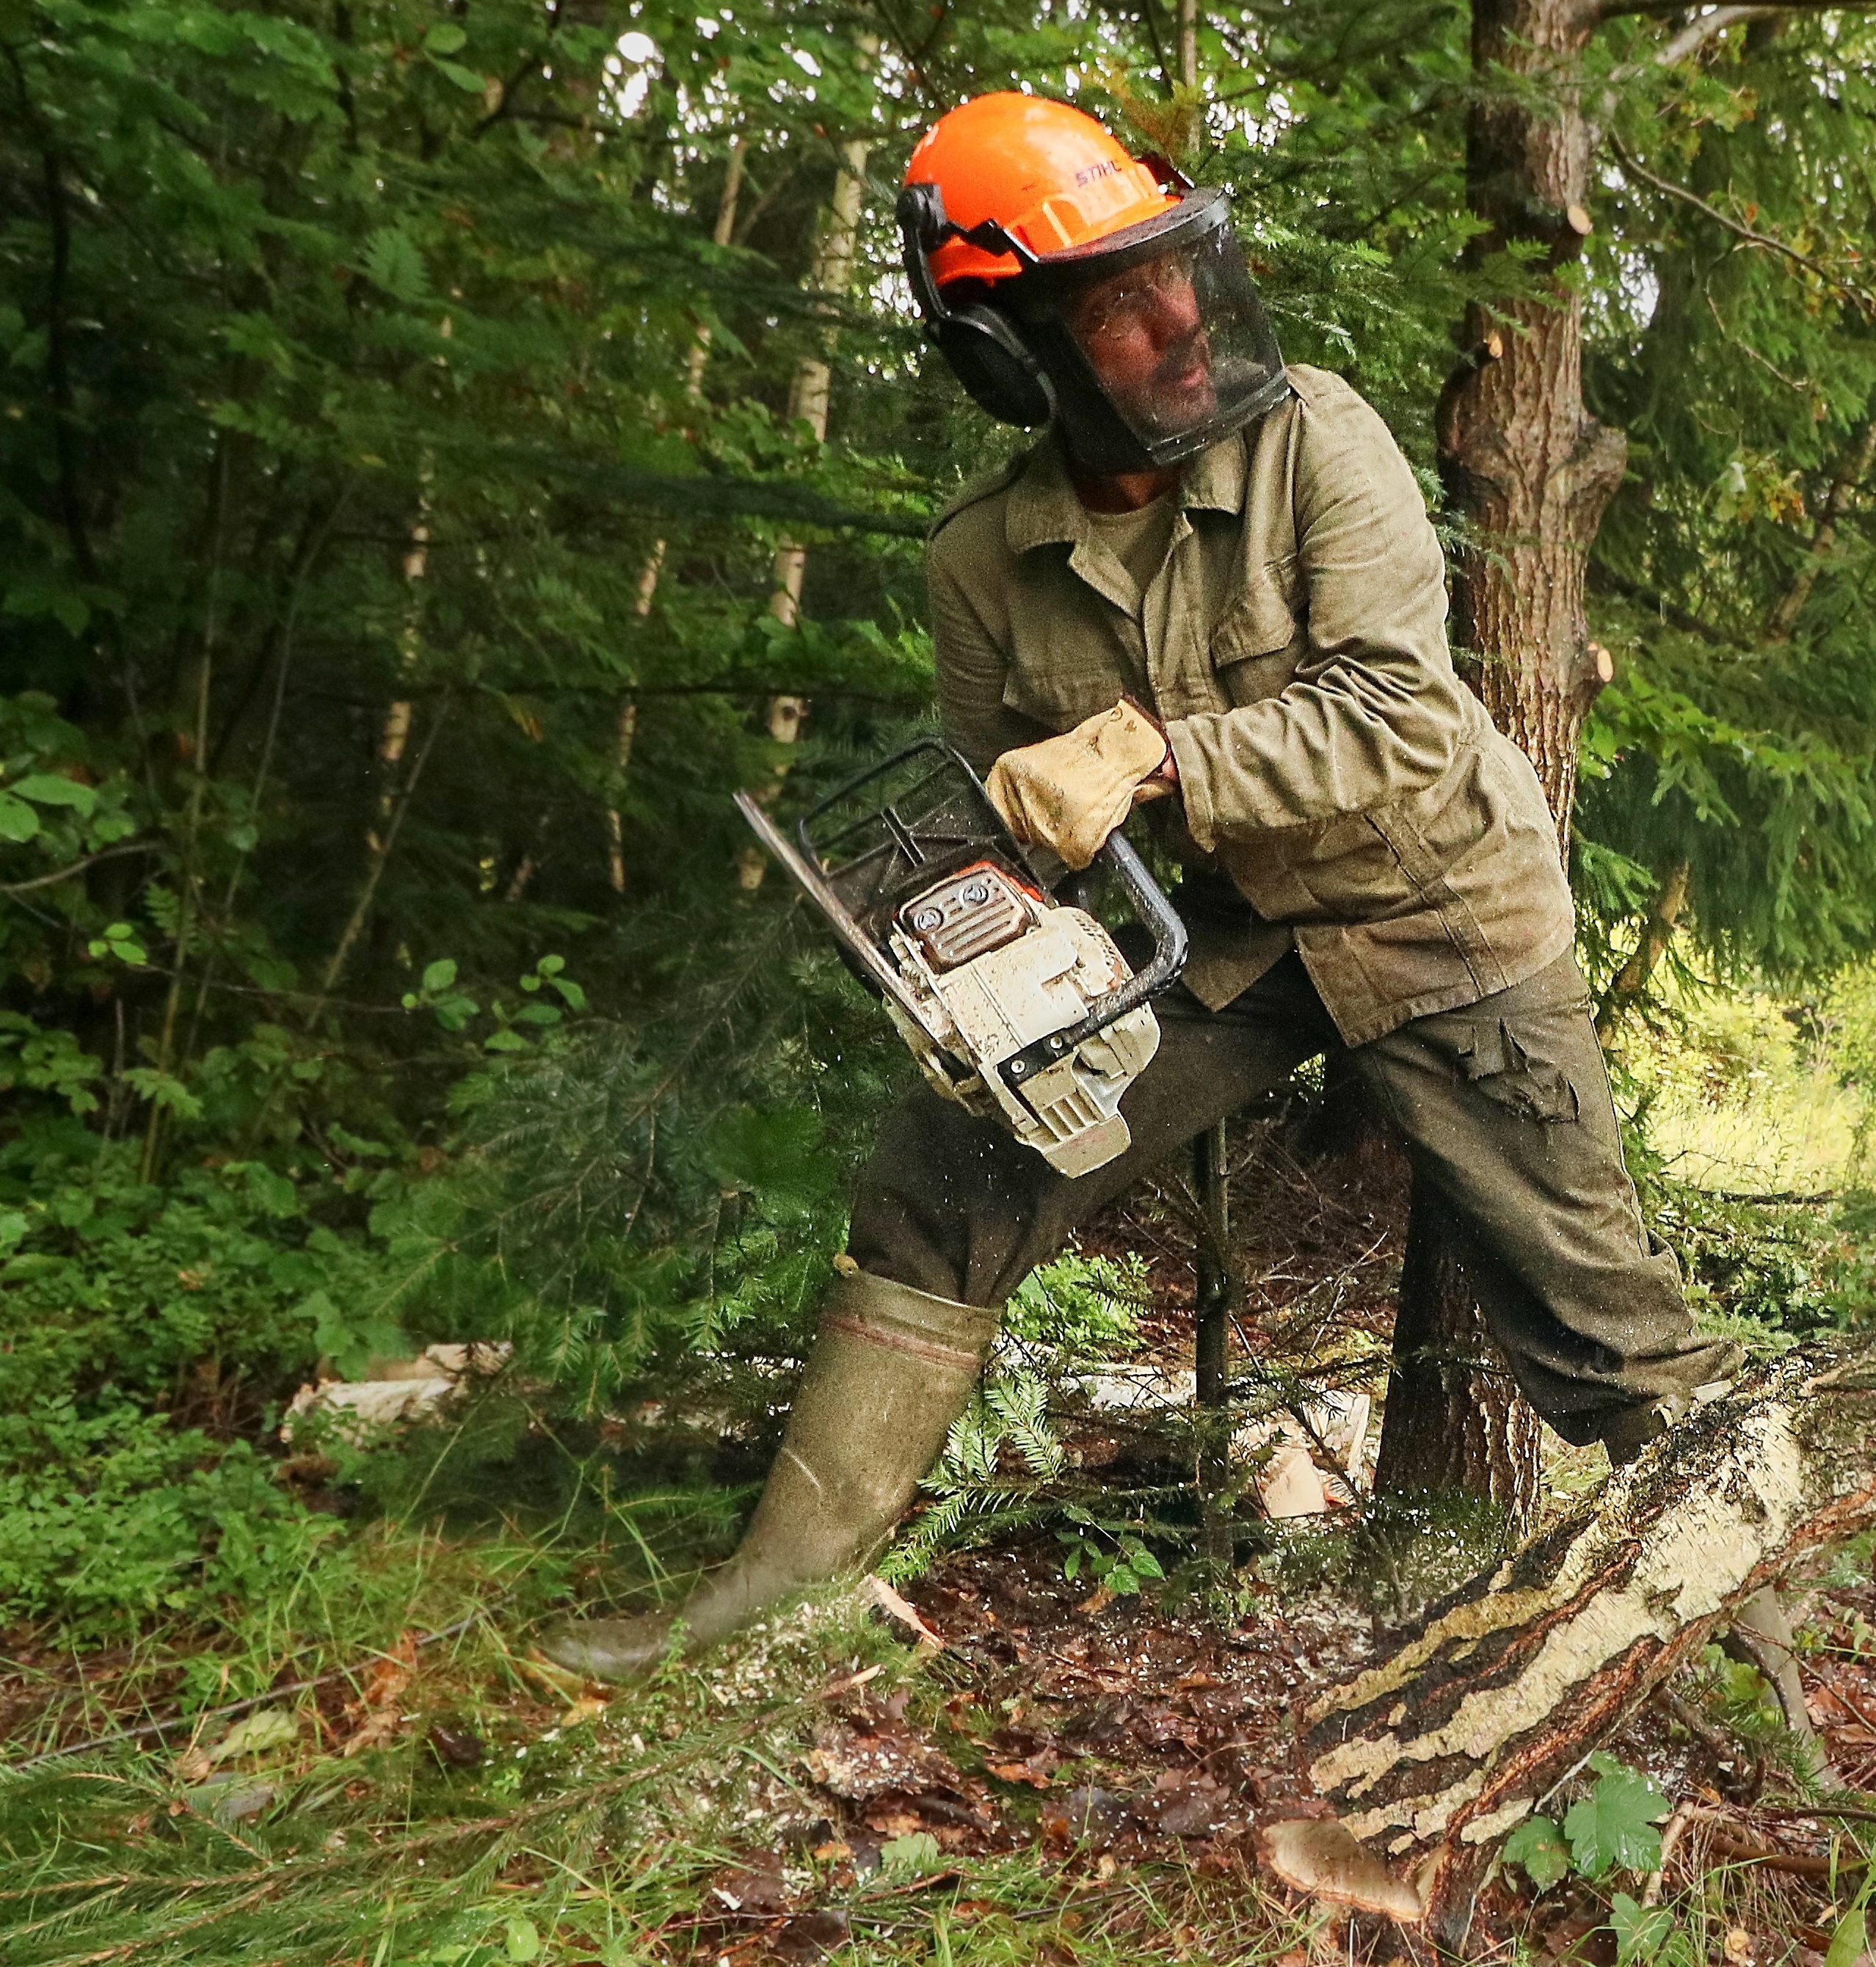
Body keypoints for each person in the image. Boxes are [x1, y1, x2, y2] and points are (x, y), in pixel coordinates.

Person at [545, 92, 1739, 1681]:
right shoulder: (984, 557)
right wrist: (961, 951)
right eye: (1117, 302)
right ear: (1013, 355)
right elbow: (1000, 822)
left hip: (1440, 906)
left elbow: (1391, 716)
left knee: (1602, 1325)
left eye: (1176, 273)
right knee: (937, 1183)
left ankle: (1775, 1632)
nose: (1178, 321)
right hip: (1226, 943)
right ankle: (766, 1601)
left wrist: (1144, 750)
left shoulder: (1321, 436)